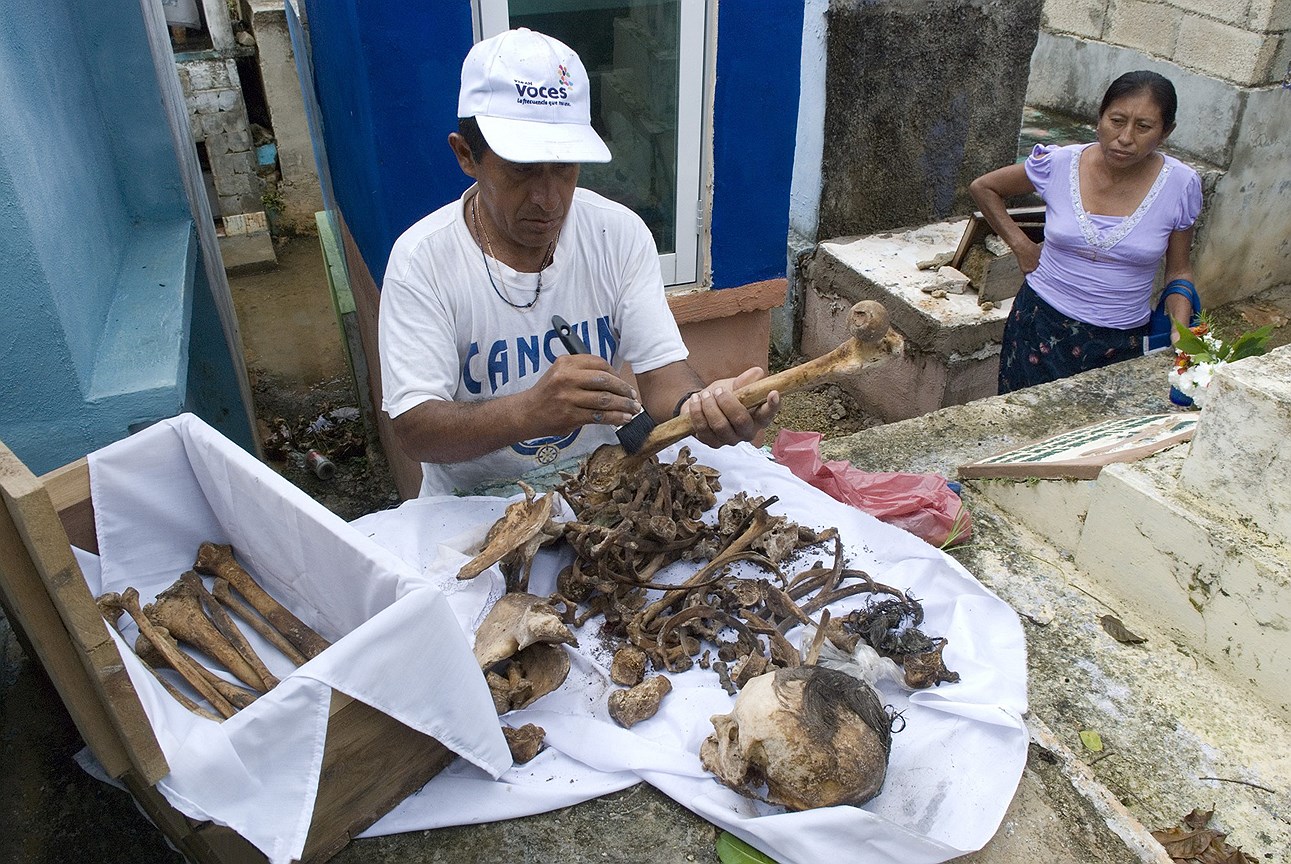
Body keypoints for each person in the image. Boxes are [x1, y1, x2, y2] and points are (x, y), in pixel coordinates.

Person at [378, 28, 779, 497]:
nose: (548, 200)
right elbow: (415, 429)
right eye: (522, 170)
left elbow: (664, 380)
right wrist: (530, 410)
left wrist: (705, 407)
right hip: (474, 509)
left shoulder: (617, 234)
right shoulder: (421, 262)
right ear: (466, 155)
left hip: (603, 490)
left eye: (565, 167)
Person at [969, 70, 1203, 394]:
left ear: (1165, 133)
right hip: (1038, 326)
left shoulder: (1180, 185)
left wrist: (1182, 332)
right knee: (1024, 434)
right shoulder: (1060, 164)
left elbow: (1179, 270)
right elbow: (985, 187)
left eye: (1144, 127)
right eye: (1117, 120)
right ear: (1099, 119)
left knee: (1092, 438)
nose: (1125, 137)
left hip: (1120, 340)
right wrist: (1021, 246)